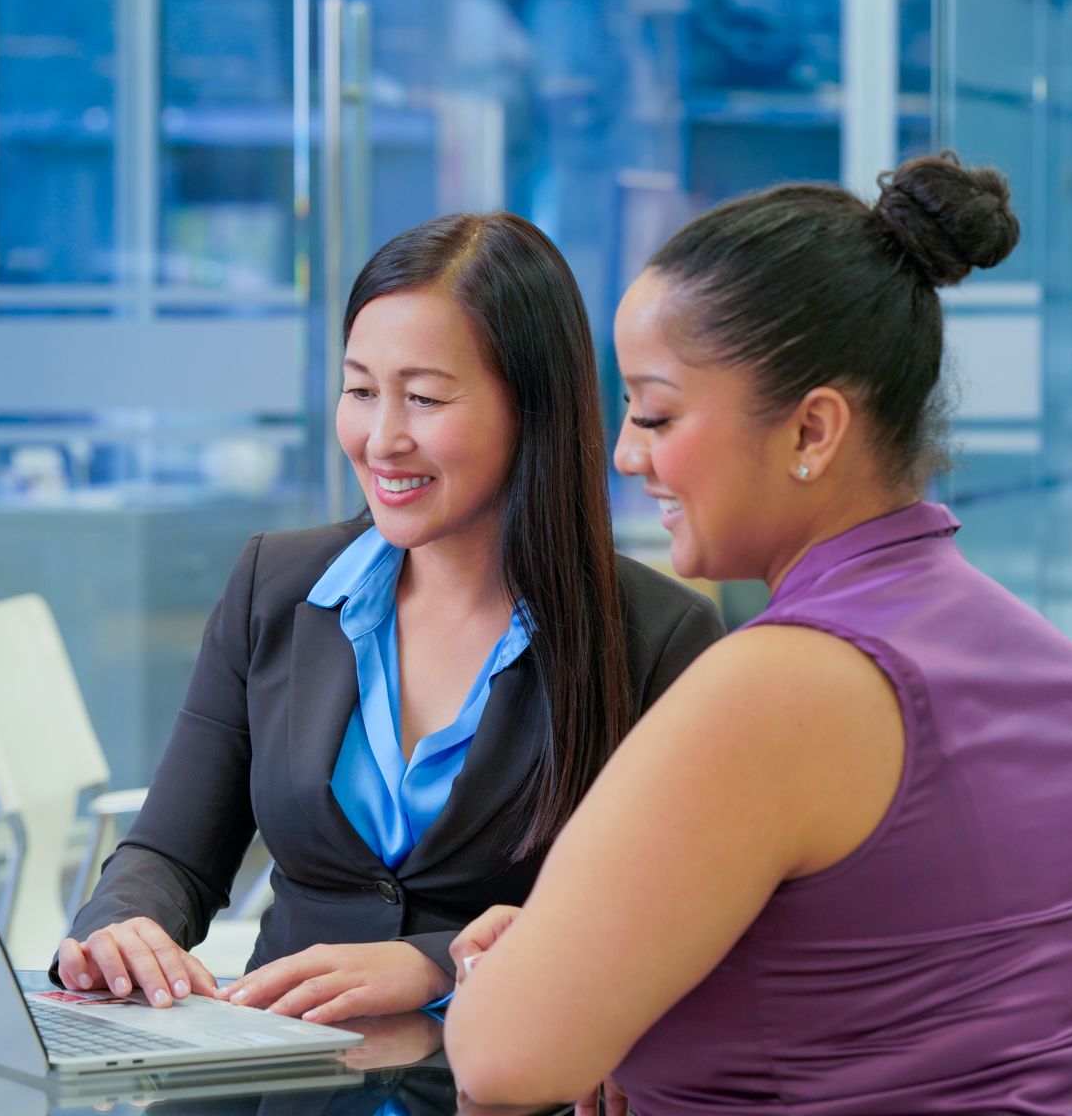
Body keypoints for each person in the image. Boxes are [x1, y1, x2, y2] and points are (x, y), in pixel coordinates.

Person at [444, 155, 1072, 1114]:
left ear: (813, 433)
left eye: (655, 412)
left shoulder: (778, 686)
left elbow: (501, 1061)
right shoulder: (1049, 663)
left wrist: (515, 980)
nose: (626, 452)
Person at [54, 212, 724, 1022]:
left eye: (424, 398)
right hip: (286, 1080)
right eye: (361, 391)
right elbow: (171, 851)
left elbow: (666, 920)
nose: (381, 439)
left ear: (533, 409)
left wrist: (440, 964)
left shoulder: (658, 637)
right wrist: (123, 924)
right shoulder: (277, 585)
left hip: (503, 1080)